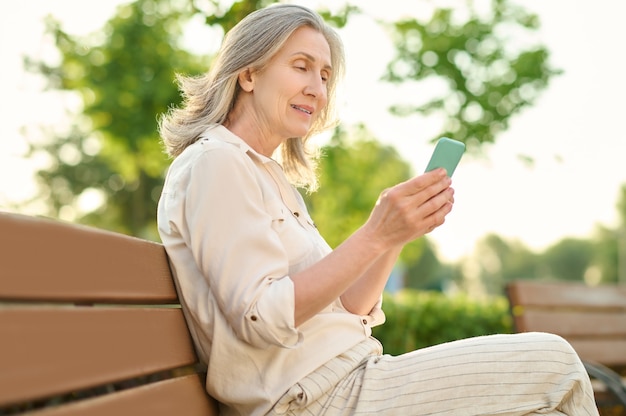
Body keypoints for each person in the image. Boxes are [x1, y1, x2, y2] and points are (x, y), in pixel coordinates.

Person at [156, 4, 599, 416]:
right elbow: (261, 317)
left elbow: (350, 307)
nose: (317, 88)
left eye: (326, 75)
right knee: (554, 362)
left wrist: (393, 235)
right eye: (301, 66)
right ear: (249, 74)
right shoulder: (216, 163)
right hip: (313, 399)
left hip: (347, 379)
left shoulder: (265, 175)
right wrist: (373, 233)